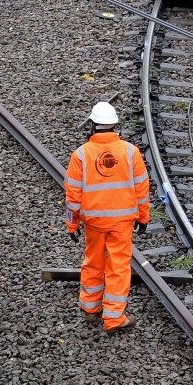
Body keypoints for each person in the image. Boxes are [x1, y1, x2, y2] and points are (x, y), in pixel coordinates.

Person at [63, 101, 150, 333]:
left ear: (93, 125)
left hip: (93, 221)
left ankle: (90, 308)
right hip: (122, 222)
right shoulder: (130, 152)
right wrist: (143, 217)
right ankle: (113, 318)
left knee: (93, 262)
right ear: (115, 125)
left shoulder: (80, 154)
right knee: (118, 267)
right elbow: (142, 189)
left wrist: (72, 224)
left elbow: (72, 194)